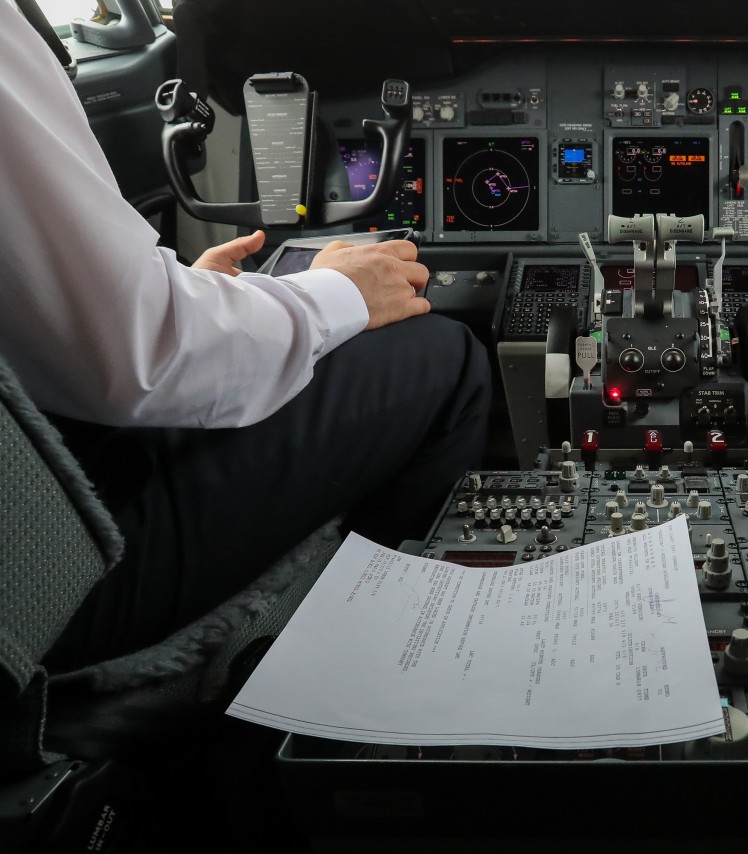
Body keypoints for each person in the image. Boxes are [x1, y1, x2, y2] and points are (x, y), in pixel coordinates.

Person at [0, 0, 492, 672]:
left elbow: (84, 333)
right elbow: (142, 355)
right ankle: (375, 667)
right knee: (441, 355)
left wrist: (207, 304)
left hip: (37, 494)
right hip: (42, 590)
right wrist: (343, 292)